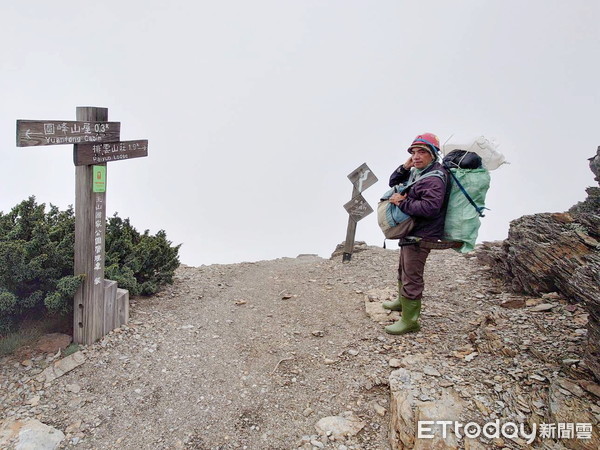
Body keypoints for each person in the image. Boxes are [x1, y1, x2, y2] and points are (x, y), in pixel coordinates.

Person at [382, 133, 449, 335]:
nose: (417, 156)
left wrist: (401, 202)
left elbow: (430, 208)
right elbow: (393, 180)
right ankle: (402, 302)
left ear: (433, 155)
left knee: (412, 275)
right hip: (412, 230)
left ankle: (410, 321)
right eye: (413, 152)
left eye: (422, 152)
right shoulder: (418, 171)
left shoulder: (434, 179)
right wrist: (406, 166)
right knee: (403, 269)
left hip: (422, 235)